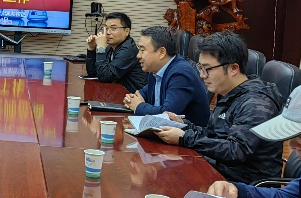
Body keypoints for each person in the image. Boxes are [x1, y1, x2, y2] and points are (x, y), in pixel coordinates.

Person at [155, 32, 283, 184]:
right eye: (200, 68)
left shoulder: (256, 102)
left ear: (233, 68)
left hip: (244, 186)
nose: (202, 75)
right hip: (219, 172)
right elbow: (215, 135)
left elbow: (236, 151)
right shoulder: (228, 92)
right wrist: (184, 125)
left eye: (207, 69)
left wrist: (185, 137)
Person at [123, 26, 210, 126]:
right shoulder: (155, 69)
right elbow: (142, 94)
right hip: (161, 131)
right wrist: (131, 99)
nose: (138, 55)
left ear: (161, 52)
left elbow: (167, 114)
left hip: (189, 134)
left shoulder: (180, 74)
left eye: (142, 50)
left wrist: (139, 106)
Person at [84, 11, 146, 92]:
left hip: (134, 95)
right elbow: (94, 73)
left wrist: (101, 48)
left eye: (113, 28)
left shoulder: (128, 50)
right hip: (118, 92)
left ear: (127, 31)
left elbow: (105, 77)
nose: (108, 33)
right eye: (106, 28)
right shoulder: (111, 47)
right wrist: (91, 49)